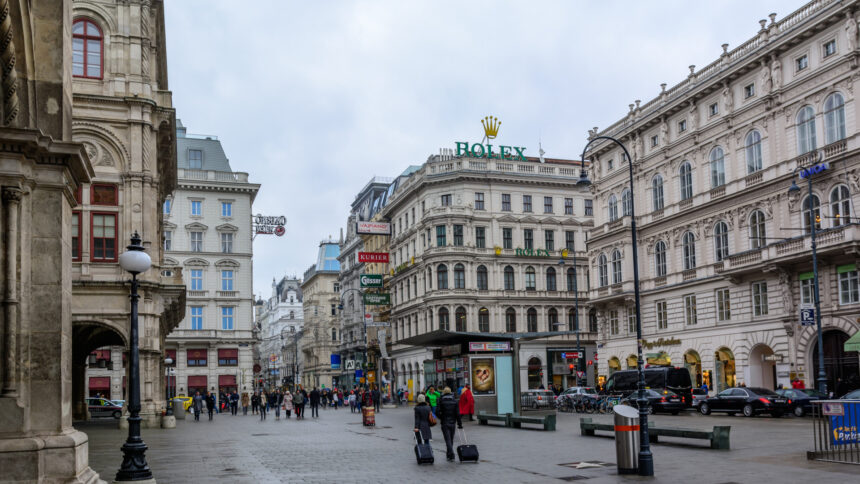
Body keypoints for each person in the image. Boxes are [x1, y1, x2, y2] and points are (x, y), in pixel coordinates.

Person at [437, 387, 462, 461]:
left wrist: (441, 417)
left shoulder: (441, 401)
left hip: (444, 422)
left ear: (444, 392)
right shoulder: (455, 401)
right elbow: (458, 413)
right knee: (451, 439)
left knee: (447, 439)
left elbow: (437, 412)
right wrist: (459, 424)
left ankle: (451, 454)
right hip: (452, 422)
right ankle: (449, 455)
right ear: (450, 392)